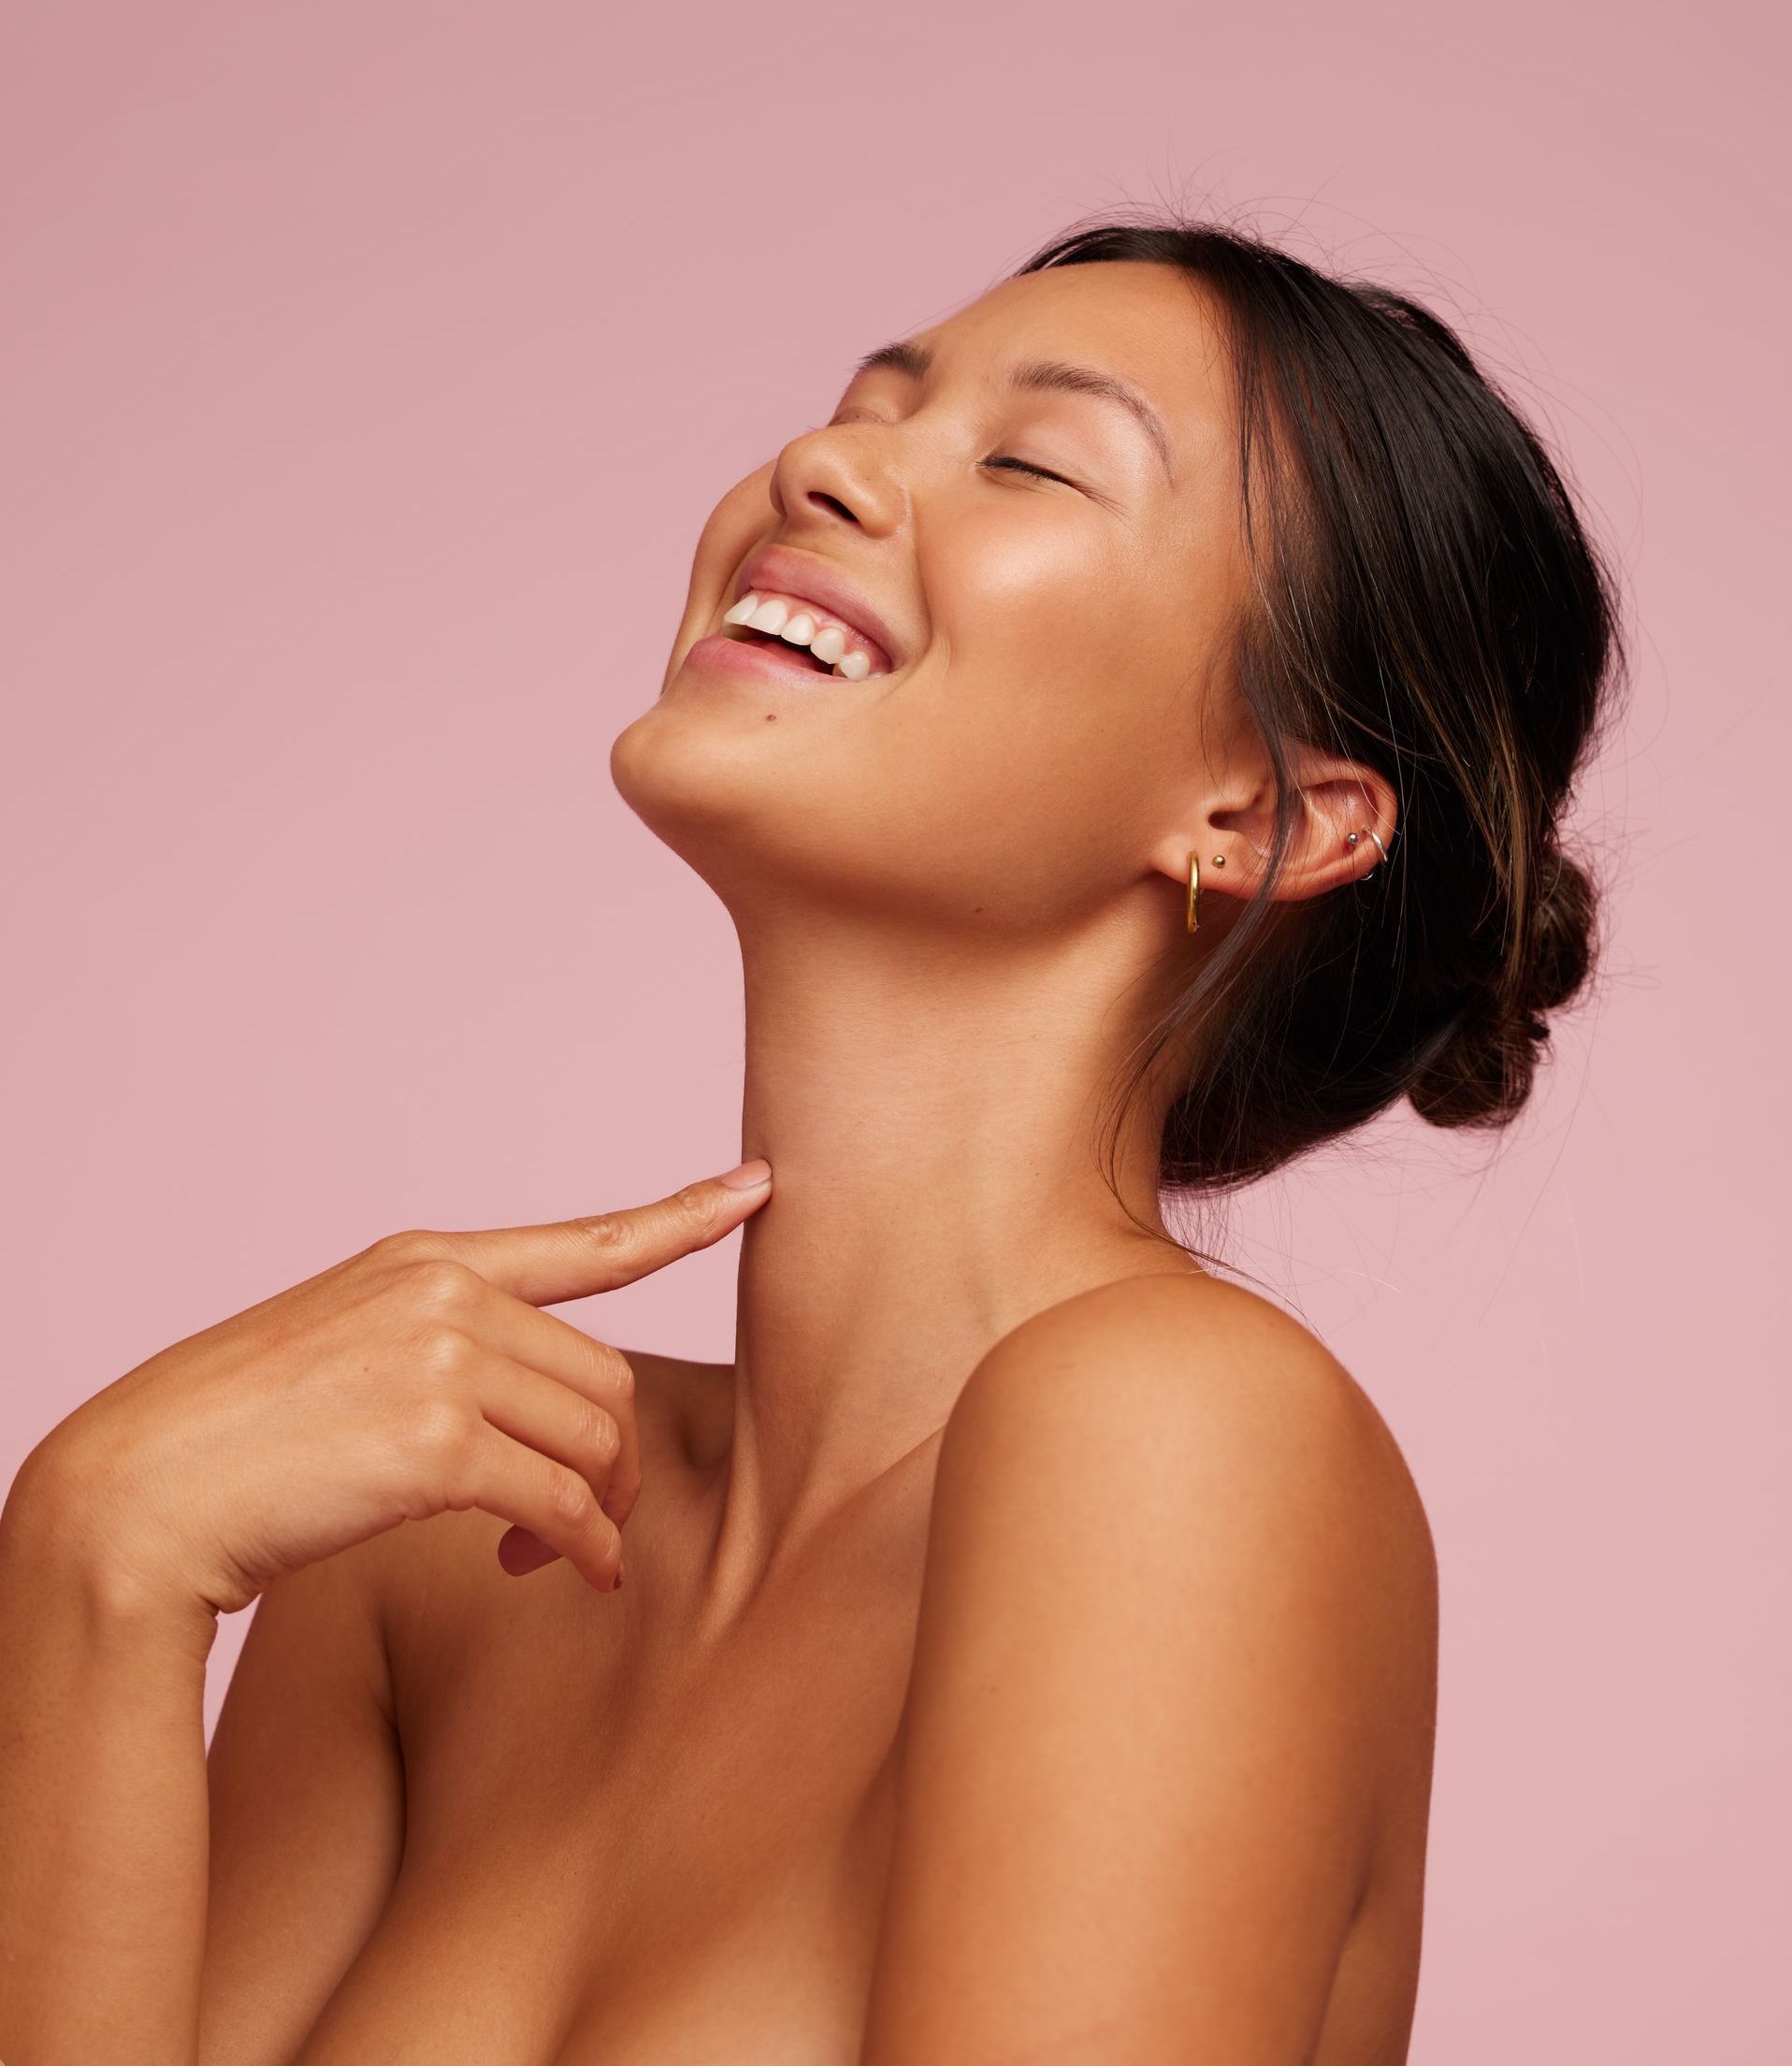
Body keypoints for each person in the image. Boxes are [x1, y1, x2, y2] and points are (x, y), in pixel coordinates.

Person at [0, 213, 1627, 2064]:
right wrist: (94, 1565)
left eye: (1029, 460)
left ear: (1260, 805)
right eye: (865, 407)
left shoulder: (1175, 1432)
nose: (824, 463)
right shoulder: (441, 1533)